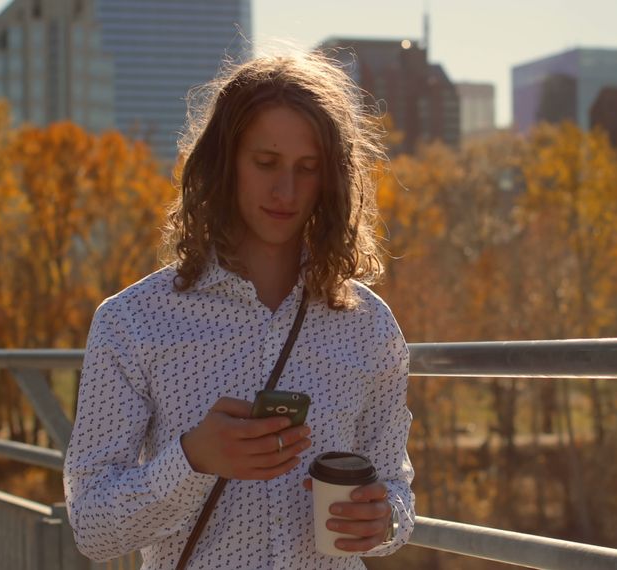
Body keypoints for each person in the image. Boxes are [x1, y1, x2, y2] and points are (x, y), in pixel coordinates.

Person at [63, 52, 415, 570]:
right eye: (266, 163)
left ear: (332, 180)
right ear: (224, 163)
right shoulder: (132, 322)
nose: (285, 191)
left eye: (307, 169)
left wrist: (383, 521)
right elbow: (91, 526)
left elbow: (397, 492)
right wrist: (192, 460)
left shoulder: (370, 326)